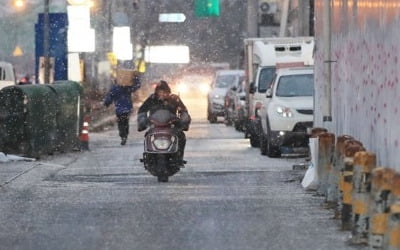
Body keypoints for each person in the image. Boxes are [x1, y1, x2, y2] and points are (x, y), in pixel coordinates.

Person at [137, 80, 191, 161]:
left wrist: (183, 120)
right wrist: (142, 120)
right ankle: (148, 156)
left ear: (168, 92)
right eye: (160, 92)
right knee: (147, 135)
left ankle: (179, 157)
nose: (162, 94)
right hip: (155, 126)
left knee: (181, 136)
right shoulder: (152, 99)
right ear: (156, 92)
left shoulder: (174, 99)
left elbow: (183, 110)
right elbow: (142, 110)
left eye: (164, 92)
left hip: (171, 126)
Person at [104, 74, 141, 145]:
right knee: (125, 122)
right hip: (127, 108)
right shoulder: (127, 88)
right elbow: (137, 86)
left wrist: (106, 103)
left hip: (119, 109)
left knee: (120, 123)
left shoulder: (115, 88)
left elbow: (109, 97)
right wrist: (135, 77)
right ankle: (125, 135)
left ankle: (123, 136)